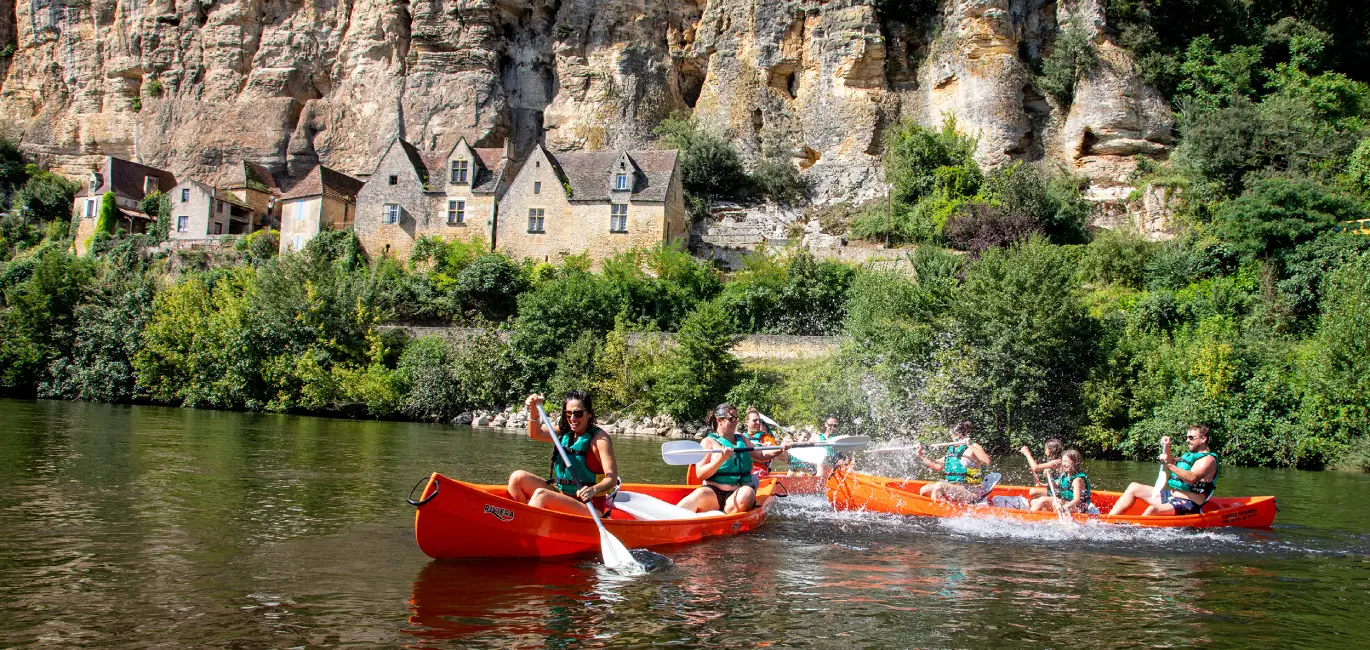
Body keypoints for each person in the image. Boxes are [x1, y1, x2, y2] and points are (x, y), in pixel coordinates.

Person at [505, 390, 620, 517]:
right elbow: (535, 433)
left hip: (589, 506)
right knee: (518, 477)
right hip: (562, 496)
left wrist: (593, 490)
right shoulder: (564, 431)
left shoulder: (599, 439)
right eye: (568, 413)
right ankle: (516, 520)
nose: (573, 418)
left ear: (590, 414)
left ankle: (526, 528)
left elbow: (612, 479)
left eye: (578, 413)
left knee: (541, 495)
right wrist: (533, 408)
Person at [677, 403, 790, 514]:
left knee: (748, 493)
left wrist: (781, 448)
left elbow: (761, 455)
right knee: (697, 495)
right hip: (713, 493)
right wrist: (721, 459)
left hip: (737, 493)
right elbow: (701, 474)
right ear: (719, 420)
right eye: (731, 418)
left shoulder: (742, 439)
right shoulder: (708, 442)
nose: (736, 421)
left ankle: (724, 516)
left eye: (736, 418)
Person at [1108, 425, 1219, 516]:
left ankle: (1136, 532)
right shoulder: (1190, 456)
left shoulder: (1208, 460)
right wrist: (1167, 446)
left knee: (1152, 510)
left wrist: (1169, 465)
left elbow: (1192, 478)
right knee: (1134, 487)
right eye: (1187, 437)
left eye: (1191, 438)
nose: (1187, 441)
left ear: (1203, 439)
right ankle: (1108, 520)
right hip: (1171, 496)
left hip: (1189, 503)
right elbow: (1172, 461)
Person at [915, 421, 992, 503]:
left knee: (939, 486)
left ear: (958, 435)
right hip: (954, 489)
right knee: (924, 490)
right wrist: (922, 455)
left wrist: (969, 445)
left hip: (971, 492)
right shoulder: (952, 451)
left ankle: (944, 513)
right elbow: (937, 466)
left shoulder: (973, 446)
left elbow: (987, 461)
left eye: (951, 435)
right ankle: (944, 509)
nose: (951, 438)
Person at [1030, 449, 1092, 514]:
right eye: (1063, 461)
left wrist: (1064, 507)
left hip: (1078, 508)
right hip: (1066, 502)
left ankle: (1030, 518)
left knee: (1046, 501)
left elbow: (1076, 500)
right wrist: (1050, 477)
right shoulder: (1064, 475)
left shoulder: (1077, 480)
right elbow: (1056, 490)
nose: (1064, 464)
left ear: (1076, 462)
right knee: (1034, 501)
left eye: (1067, 461)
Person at [741, 407, 786, 477]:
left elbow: (783, 458)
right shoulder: (741, 438)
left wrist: (772, 447)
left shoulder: (767, 438)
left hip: (760, 473)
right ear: (747, 422)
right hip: (744, 472)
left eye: (759, 420)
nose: (758, 423)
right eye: (755, 420)